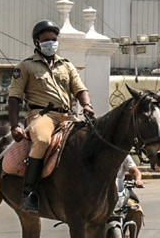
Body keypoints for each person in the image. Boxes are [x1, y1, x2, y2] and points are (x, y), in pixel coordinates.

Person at [7, 19, 96, 213]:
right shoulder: (25, 66)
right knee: (42, 141)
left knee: (90, 139)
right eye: (46, 40)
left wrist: (87, 105)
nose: (51, 43)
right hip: (42, 116)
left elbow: (80, 89)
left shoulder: (66, 65)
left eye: (54, 39)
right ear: (37, 42)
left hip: (68, 116)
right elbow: (14, 98)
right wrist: (14, 126)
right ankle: (29, 193)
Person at [59, 154, 143, 238]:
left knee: (137, 210)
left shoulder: (123, 155)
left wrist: (138, 180)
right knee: (78, 218)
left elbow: (134, 171)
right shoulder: (96, 152)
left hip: (119, 193)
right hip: (97, 194)